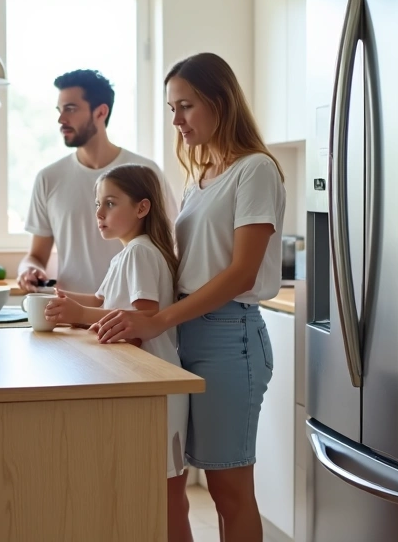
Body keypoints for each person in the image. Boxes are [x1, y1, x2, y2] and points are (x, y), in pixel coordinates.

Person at [93, 53, 286, 542]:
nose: (176, 120)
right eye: (171, 108)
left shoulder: (255, 170)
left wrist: (157, 321)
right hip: (188, 338)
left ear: (220, 102)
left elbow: (242, 272)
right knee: (177, 480)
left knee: (229, 490)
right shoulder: (201, 177)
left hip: (229, 339)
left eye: (186, 106)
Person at [40, 164, 192, 542]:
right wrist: (60, 299)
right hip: (144, 385)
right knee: (162, 494)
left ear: (142, 208)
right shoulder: (127, 254)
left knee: (169, 497)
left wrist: (79, 315)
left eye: (110, 203)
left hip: (158, 386)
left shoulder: (140, 253)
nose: (99, 214)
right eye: (97, 204)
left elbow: (143, 317)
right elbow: (101, 301)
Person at [17, 69, 176, 297]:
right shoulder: (49, 178)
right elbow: (36, 256)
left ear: (101, 112)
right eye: (59, 110)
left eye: (70, 109)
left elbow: (170, 245)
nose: (61, 119)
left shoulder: (145, 173)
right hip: (70, 315)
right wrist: (28, 269)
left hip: (130, 318)